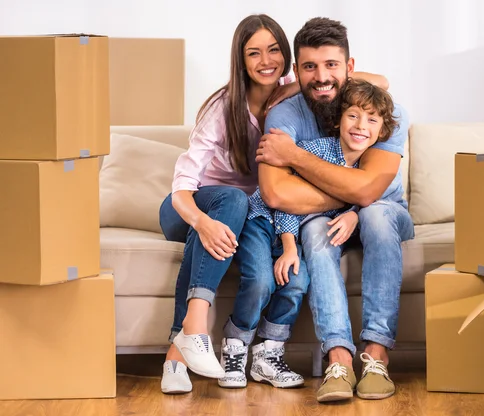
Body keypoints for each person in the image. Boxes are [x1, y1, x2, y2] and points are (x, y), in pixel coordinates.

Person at [158, 13, 389, 395]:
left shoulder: (297, 87)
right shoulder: (222, 108)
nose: (266, 61)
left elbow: (381, 83)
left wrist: (290, 86)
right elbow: (182, 186)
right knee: (228, 204)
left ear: (286, 58)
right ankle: (192, 334)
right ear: (241, 60)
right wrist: (201, 221)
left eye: (273, 50)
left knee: (237, 227)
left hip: (250, 214)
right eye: (253, 53)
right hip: (189, 206)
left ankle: (175, 356)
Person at [255, 17, 415, 402]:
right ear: (297, 70)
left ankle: (376, 356)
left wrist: (294, 156)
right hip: (321, 219)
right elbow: (276, 194)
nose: (321, 77)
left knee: (374, 214)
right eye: (309, 67)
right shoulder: (285, 115)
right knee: (314, 231)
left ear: (350, 68)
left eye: (331, 65)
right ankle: (338, 359)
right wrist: (351, 194)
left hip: (385, 211)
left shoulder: (381, 111)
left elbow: (371, 190)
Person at [218, 78, 397, 390]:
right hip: (264, 220)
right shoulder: (317, 152)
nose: (360, 127)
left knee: (297, 280)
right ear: (338, 119)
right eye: (352, 116)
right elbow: (287, 200)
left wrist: (354, 213)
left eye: (371, 120)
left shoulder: (362, 168)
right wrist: (289, 246)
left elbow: (361, 196)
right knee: (262, 280)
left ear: (381, 131)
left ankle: (268, 354)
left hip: (291, 230)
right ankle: (234, 348)